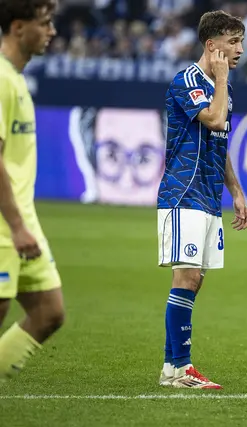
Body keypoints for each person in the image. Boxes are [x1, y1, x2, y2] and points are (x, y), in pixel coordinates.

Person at [157, 10, 247, 389]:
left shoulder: (225, 89)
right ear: (212, 45)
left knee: (195, 281)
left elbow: (220, 141)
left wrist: (237, 192)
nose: (240, 50)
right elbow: (212, 119)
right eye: (233, 42)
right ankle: (182, 369)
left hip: (209, 197)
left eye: (241, 42)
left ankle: (171, 368)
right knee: (187, 276)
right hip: (184, 192)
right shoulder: (187, 81)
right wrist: (222, 80)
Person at [0, 0, 65, 381]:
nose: (52, 31)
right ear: (18, 27)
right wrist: (16, 225)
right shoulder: (1, 79)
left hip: (21, 222)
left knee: (49, 312)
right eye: (45, 22)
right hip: (7, 225)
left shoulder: (16, 78)